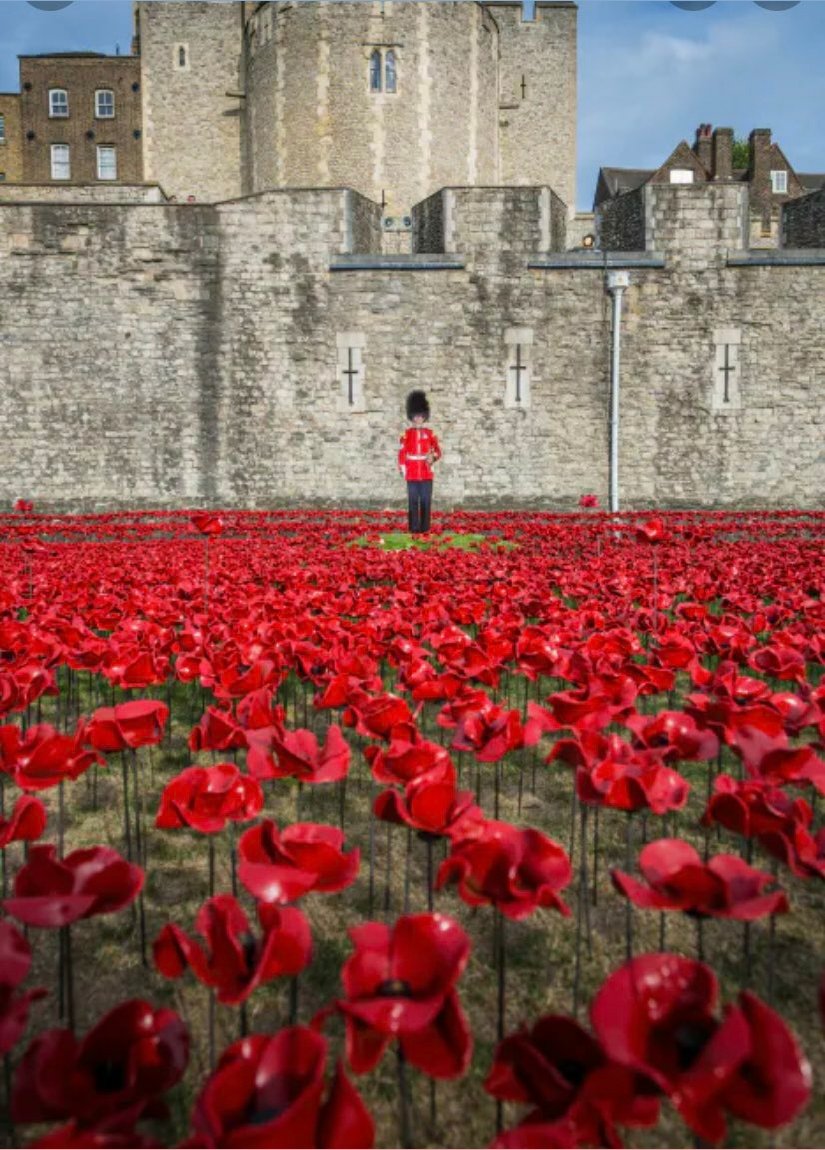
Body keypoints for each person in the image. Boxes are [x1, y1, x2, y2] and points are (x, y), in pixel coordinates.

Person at [398, 390, 442, 534]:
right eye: (416, 416)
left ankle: (425, 527)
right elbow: (402, 452)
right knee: (413, 501)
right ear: (412, 417)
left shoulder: (430, 434)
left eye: (421, 416)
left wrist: (433, 458)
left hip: (426, 471)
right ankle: (414, 528)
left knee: (425, 500)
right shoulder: (406, 434)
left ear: (424, 417)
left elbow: (438, 451)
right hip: (411, 472)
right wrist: (403, 468)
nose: (418, 419)